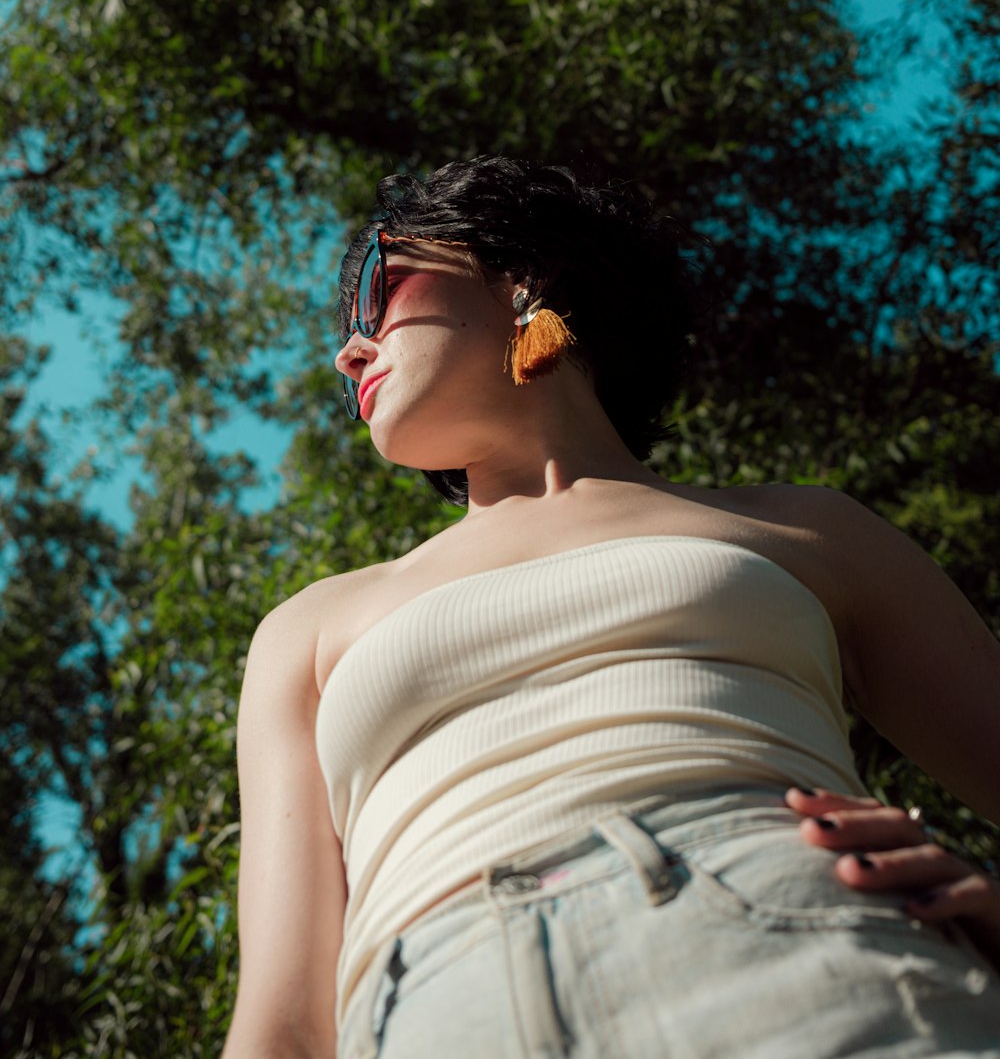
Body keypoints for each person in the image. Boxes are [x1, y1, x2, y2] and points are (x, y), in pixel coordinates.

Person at [222, 157, 1000, 1058]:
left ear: (526, 277)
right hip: (432, 1008)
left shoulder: (806, 529)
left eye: (377, 289)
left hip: (812, 950)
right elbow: (280, 1023)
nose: (347, 347)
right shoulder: (308, 627)